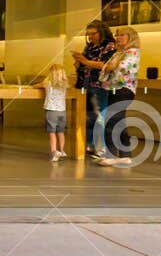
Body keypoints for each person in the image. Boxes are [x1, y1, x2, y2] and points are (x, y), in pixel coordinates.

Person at [95, 26, 141, 167]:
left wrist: (110, 67)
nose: (118, 37)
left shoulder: (133, 52)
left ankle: (111, 155)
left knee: (112, 120)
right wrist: (109, 67)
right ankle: (125, 156)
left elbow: (121, 67)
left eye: (122, 35)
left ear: (130, 37)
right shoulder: (118, 52)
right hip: (113, 89)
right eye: (117, 35)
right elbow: (106, 69)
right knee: (119, 121)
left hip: (124, 89)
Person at [70, 20, 116, 158]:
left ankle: (101, 148)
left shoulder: (110, 45)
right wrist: (78, 63)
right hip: (85, 84)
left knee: (99, 116)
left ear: (101, 32)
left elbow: (105, 65)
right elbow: (84, 65)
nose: (90, 37)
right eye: (88, 34)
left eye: (92, 33)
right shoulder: (89, 46)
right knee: (88, 117)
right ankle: (89, 144)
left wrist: (85, 61)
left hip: (99, 85)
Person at [43, 63, 70, 163]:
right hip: (62, 111)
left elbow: (39, 84)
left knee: (52, 133)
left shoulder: (47, 83)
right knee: (61, 132)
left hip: (51, 111)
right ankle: (62, 150)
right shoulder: (65, 84)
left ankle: (54, 152)